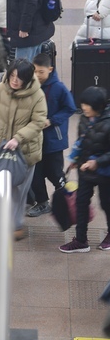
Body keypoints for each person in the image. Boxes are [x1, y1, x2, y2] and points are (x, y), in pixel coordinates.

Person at [0, 59, 48, 240]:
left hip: (25, 152)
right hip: (3, 147)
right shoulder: (1, 89)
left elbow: (38, 122)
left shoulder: (37, 96)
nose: (14, 80)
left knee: (19, 190)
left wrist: (18, 138)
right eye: (12, 75)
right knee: (4, 186)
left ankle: (16, 225)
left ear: (27, 78)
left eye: (19, 78)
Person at [59, 86, 110, 252]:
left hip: (105, 173)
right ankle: (81, 240)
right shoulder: (85, 118)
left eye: (88, 106)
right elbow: (82, 141)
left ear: (98, 106)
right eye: (83, 105)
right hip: (85, 169)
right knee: (81, 202)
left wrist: (97, 162)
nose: (84, 108)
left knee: (107, 204)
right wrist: (76, 159)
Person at [27, 53, 76, 217]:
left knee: (55, 173)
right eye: (34, 71)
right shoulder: (31, 85)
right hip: (35, 139)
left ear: (50, 69)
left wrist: (52, 120)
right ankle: (42, 203)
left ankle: (68, 199)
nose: (37, 75)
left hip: (54, 140)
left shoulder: (59, 88)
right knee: (36, 173)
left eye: (41, 71)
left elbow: (70, 108)